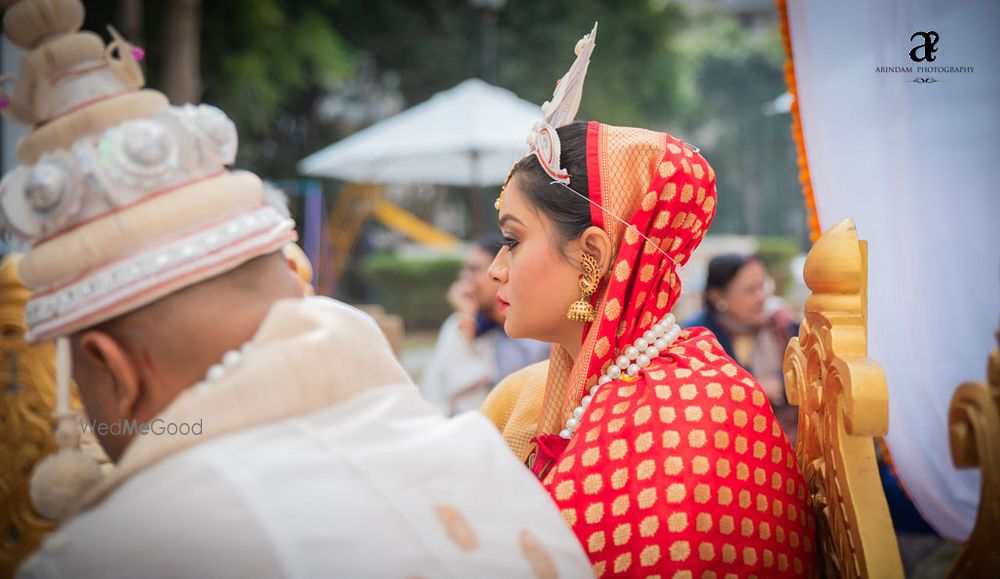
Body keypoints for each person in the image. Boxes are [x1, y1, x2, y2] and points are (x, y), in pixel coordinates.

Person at [2, 2, 592, 577]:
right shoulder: (485, 463)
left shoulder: (126, 548)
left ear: (112, 369)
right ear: (292, 281)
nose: (491, 271)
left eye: (511, 239)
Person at [481, 24, 816, 577]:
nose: (497, 268)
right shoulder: (550, 391)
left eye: (513, 239)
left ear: (592, 254)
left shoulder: (679, 432)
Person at [420, 233, 549, 415]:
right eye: (463, 270)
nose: (465, 278)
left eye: (473, 269)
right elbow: (439, 391)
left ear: (500, 271)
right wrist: (465, 321)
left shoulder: (534, 328)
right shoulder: (461, 322)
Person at [684, 254, 800, 440]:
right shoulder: (695, 339)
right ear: (718, 297)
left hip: (786, 438)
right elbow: (695, 397)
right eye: (750, 291)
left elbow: (810, 370)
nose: (761, 297)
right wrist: (751, 390)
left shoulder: (783, 326)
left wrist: (781, 382)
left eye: (762, 286)